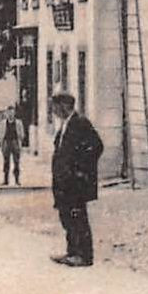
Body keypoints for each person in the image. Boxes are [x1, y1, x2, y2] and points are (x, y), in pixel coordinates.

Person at [49, 93, 103, 267]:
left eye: (55, 107)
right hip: (64, 182)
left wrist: (80, 169)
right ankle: (72, 252)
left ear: (64, 106)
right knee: (67, 216)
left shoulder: (81, 123)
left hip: (75, 182)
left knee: (78, 216)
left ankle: (84, 256)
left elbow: (96, 146)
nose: (54, 111)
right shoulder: (65, 124)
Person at [0, 109, 24, 186]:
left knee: (16, 162)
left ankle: (17, 180)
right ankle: (6, 180)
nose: (10, 114)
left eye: (12, 112)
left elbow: (22, 134)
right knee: (6, 162)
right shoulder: (3, 123)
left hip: (15, 142)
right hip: (6, 142)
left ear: (14, 113)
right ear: (7, 113)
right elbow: (1, 133)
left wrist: (20, 141)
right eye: (9, 113)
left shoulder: (18, 123)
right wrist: (1, 143)